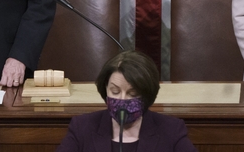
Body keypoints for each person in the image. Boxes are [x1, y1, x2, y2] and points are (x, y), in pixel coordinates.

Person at [57, 50, 197, 151]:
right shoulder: (82, 127)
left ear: (146, 94)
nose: (122, 100)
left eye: (133, 93)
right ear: (105, 89)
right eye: (115, 91)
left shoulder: (171, 130)